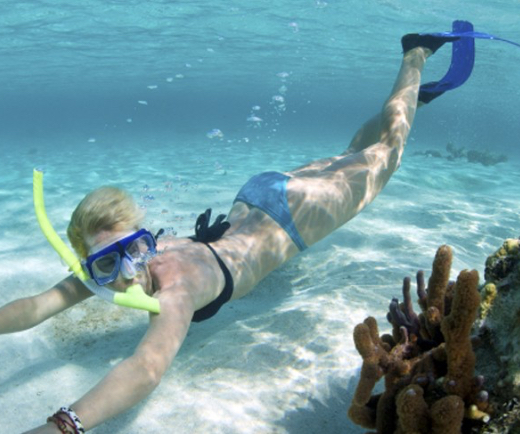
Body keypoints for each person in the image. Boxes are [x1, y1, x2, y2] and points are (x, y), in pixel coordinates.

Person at [0, 33, 464, 433]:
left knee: (388, 153)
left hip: (293, 217)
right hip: (259, 195)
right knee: (352, 153)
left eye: (134, 252)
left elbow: (144, 368)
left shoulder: (177, 288)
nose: (125, 275)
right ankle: (412, 100)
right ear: (93, 263)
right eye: (105, 264)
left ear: (143, 238)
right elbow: (38, 306)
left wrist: (62, 425)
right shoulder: (118, 263)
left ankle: (415, 55)